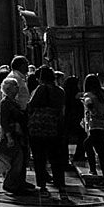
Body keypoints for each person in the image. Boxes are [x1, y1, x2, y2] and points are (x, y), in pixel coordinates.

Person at [27, 66, 67, 199]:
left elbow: (31, 105)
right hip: (55, 127)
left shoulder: (41, 89)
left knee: (40, 158)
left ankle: (42, 186)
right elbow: (62, 110)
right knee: (56, 158)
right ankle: (61, 185)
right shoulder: (60, 91)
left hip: (39, 128)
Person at [0, 77, 33, 195]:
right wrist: (8, 136)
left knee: (23, 159)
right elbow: (4, 121)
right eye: (15, 86)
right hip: (13, 134)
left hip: (20, 134)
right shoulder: (5, 103)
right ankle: (10, 183)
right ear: (8, 89)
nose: (18, 88)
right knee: (17, 160)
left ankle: (20, 181)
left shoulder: (14, 102)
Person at [81, 73, 104, 183]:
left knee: (98, 150)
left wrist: (93, 112)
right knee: (99, 149)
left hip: (95, 126)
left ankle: (100, 174)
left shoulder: (88, 94)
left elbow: (89, 104)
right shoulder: (103, 92)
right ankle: (100, 172)